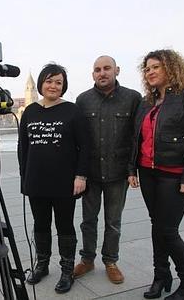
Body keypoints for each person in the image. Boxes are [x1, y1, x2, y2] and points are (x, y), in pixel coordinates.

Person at [128, 49, 184, 300]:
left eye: (156, 66)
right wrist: (131, 169)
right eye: (147, 68)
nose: (150, 71)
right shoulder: (146, 101)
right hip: (147, 172)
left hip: (174, 174)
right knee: (158, 226)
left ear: (171, 68)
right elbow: (136, 138)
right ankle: (161, 275)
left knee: (168, 230)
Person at [18, 63, 87, 294]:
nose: (53, 86)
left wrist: (81, 176)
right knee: (40, 224)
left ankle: (67, 270)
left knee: (64, 225)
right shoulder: (30, 112)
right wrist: (24, 177)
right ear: (40, 84)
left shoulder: (72, 110)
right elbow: (23, 148)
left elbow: (85, 147)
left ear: (63, 86)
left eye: (58, 82)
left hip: (65, 181)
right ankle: (43, 264)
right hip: (36, 181)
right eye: (49, 81)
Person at [74, 56, 141, 284]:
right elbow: (77, 141)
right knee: (88, 220)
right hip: (90, 174)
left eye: (106, 68)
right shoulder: (82, 100)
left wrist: (132, 169)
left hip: (118, 173)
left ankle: (110, 261)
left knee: (113, 221)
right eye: (97, 70)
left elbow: (136, 138)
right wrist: (77, 173)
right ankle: (87, 259)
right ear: (92, 74)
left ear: (117, 71)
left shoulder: (133, 98)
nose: (102, 73)